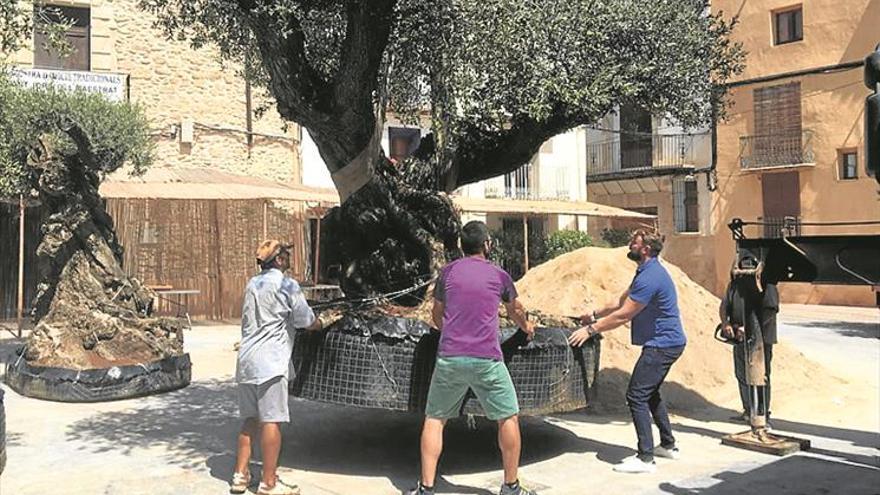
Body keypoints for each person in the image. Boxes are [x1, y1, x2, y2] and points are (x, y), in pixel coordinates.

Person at [410, 220, 537, 495]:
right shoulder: (499, 275)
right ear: (487, 245)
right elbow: (515, 310)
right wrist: (527, 327)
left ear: (460, 246)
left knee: (435, 419)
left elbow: (436, 314)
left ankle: (426, 488)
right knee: (508, 417)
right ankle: (511, 486)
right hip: (487, 359)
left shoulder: (447, 273)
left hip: (450, 358)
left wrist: (450, 332)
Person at [568, 229, 687, 474]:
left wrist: (591, 330)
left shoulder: (650, 276)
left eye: (634, 242)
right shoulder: (645, 271)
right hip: (666, 342)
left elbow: (625, 314)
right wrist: (592, 314)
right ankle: (668, 445)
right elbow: (618, 303)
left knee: (636, 396)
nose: (629, 244)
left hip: (662, 345)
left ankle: (645, 458)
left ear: (645, 249)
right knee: (650, 392)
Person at [231, 240, 324, 495]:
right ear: (279, 260)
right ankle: (269, 482)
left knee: (249, 419)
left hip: (247, 361)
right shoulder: (286, 284)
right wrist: (322, 323)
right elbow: (305, 320)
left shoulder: (252, 284)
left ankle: (240, 476)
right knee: (271, 421)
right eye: (286, 255)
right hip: (271, 363)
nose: (289, 258)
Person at [719, 260, 779, 422]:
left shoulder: (767, 285)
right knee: (741, 373)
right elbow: (725, 305)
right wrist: (726, 323)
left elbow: (770, 311)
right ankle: (748, 410)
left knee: (761, 375)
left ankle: (762, 412)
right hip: (739, 337)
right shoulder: (734, 285)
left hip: (762, 339)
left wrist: (751, 328)